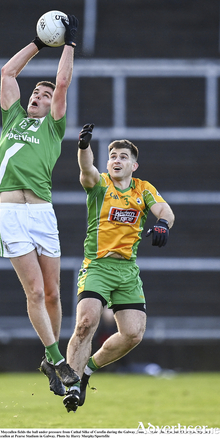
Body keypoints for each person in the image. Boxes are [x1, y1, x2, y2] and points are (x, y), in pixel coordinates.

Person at [0, 15, 80, 397]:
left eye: (43, 96)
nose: (37, 96)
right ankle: (57, 359)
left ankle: (49, 357)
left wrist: (70, 44)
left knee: (53, 294)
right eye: (35, 93)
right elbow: (8, 72)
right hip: (11, 213)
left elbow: (61, 83)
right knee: (33, 292)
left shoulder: (53, 128)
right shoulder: (12, 116)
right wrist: (40, 43)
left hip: (42, 213)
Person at [63, 124, 175, 412]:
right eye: (112, 155)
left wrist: (162, 223)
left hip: (127, 270)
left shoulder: (143, 188)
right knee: (86, 322)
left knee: (134, 334)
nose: (116, 159)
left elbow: (166, 211)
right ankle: (72, 385)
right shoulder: (99, 184)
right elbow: (86, 170)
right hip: (98, 266)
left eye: (123, 156)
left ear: (133, 165)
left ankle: (86, 371)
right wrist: (83, 147)